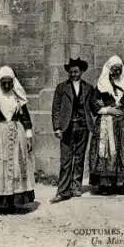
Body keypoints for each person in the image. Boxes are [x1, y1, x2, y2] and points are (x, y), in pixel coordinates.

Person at [0, 66, 35, 213]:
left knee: (17, 166)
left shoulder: (18, 97)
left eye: (10, 82)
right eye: (4, 82)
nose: (7, 85)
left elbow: (25, 117)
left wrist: (28, 135)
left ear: (13, 82)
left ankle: (12, 203)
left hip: (16, 134)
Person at [89, 56, 124, 195]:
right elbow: (93, 103)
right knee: (106, 151)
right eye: (114, 69)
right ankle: (105, 185)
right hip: (107, 121)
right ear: (109, 70)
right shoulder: (102, 85)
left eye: (119, 69)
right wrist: (107, 109)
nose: (116, 72)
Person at [50, 58, 95, 204]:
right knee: (66, 160)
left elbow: (94, 107)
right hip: (67, 127)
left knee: (80, 158)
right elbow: (56, 108)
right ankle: (63, 190)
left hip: (83, 126)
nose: (74, 74)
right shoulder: (61, 87)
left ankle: (76, 187)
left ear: (82, 72)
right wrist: (57, 127)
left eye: (76, 71)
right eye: (71, 72)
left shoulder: (88, 87)